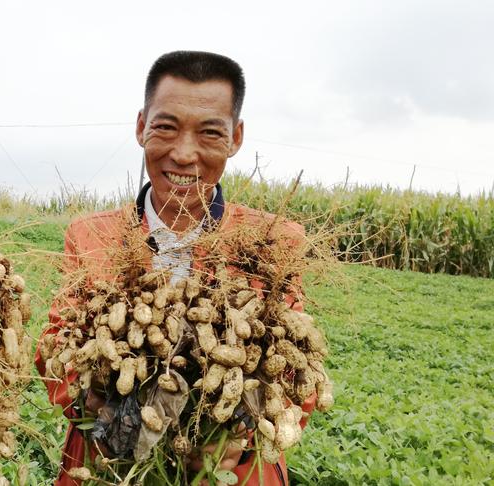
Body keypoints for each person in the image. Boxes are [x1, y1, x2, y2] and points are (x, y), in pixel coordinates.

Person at [36, 51, 316, 486]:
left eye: (209, 133)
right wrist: (95, 403)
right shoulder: (90, 236)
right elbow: (55, 350)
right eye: (165, 127)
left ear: (235, 137)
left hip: (236, 472)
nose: (184, 154)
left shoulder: (276, 242)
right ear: (140, 127)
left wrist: (240, 435)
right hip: (108, 465)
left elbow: (301, 375)